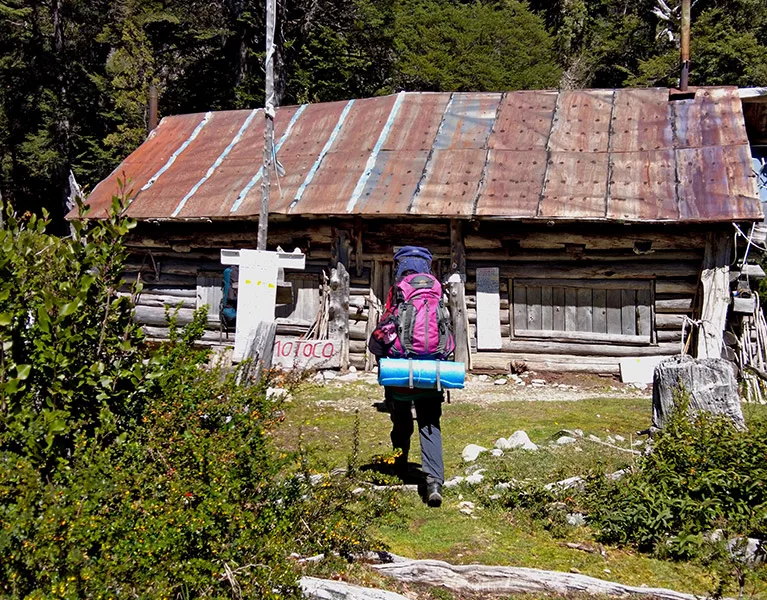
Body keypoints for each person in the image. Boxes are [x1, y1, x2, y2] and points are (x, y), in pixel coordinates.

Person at [368, 246, 449, 508]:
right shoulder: (437, 292)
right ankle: (434, 482)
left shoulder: (399, 292)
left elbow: (381, 336)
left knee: (401, 419)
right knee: (430, 424)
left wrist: (380, 355)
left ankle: (399, 465)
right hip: (431, 373)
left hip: (401, 372)